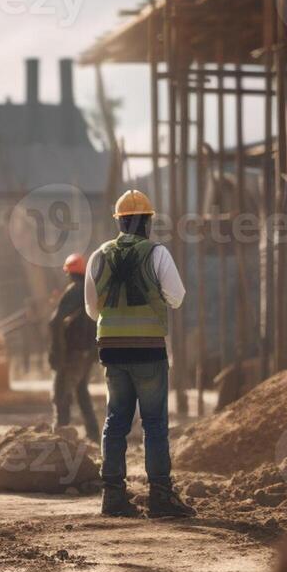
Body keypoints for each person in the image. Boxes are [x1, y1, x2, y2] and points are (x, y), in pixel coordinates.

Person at [84, 189, 195, 519]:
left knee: (115, 422)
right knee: (155, 423)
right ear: (148, 222)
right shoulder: (156, 253)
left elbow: (92, 309)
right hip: (148, 350)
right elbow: (176, 297)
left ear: (118, 221)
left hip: (112, 350)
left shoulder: (98, 255)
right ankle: (161, 496)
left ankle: (113, 497)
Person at [50, 252, 99, 439]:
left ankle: (60, 436)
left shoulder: (74, 290)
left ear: (69, 273)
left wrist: (56, 351)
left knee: (61, 392)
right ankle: (93, 434)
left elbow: (55, 322)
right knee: (81, 390)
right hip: (89, 351)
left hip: (74, 353)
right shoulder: (90, 291)